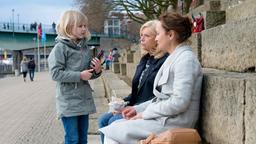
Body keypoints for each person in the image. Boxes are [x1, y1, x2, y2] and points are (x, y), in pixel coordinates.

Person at [99, 12, 203, 144]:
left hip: (173, 123)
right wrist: (137, 109)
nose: (157, 38)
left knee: (112, 132)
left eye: (158, 34)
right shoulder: (176, 57)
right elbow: (161, 98)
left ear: (170, 35)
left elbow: (179, 102)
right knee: (113, 128)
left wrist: (145, 114)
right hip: (164, 119)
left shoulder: (186, 60)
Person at [98, 20, 168, 144]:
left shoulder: (164, 61)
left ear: (157, 38)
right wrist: (122, 104)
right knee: (103, 119)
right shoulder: (145, 59)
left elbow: (159, 97)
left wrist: (134, 109)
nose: (141, 39)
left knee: (112, 122)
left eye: (146, 36)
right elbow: (136, 92)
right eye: (141, 35)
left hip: (147, 110)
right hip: (134, 106)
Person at [47, 10, 102, 144]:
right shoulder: (60, 48)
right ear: (68, 26)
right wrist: (79, 75)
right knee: (72, 139)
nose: (84, 29)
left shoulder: (85, 48)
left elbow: (88, 75)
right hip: (68, 101)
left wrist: (97, 70)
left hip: (83, 99)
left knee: (83, 138)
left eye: (85, 26)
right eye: (80, 26)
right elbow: (55, 73)